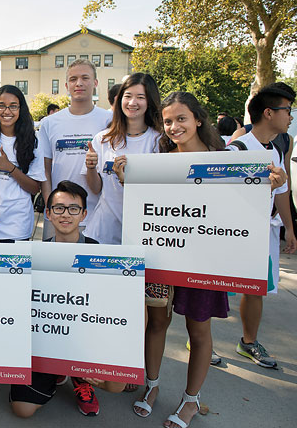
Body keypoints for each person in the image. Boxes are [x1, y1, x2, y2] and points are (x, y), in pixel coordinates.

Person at [116, 92, 230, 428]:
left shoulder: (223, 160)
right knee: (157, 322)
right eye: (167, 121)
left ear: (198, 119)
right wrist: (128, 180)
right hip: (163, 257)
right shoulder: (160, 160)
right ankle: (151, 386)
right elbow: (148, 207)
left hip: (203, 261)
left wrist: (267, 186)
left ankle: (190, 400)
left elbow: (237, 213)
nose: (174, 126)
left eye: (181, 118)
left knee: (198, 329)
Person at [10, 180, 125, 419]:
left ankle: (80, 378)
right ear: (49, 214)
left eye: (73, 209)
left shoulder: (101, 256)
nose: (66, 214)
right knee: (22, 410)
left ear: (83, 214)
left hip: (83, 341)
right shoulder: (32, 255)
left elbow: (113, 309)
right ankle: (54, 374)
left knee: (116, 384)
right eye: (59, 208)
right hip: (47, 339)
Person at [227, 83, 297, 369]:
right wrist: (265, 187)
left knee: (256, 290)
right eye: (287, 111)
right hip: (235, 236)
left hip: (264, 233)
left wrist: (289, 229)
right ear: (269, 113)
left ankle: (248, 341)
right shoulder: (237, 150)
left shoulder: (276, 149)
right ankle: (198, 340)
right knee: (217, 289)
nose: (290, 117)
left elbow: (283, 193)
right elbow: (225, 198)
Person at [83, 72, 162, 245]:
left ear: (150, 101)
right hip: (102, 233)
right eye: (128, 96)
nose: (132, 103)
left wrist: (128, 180)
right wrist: (90, 167)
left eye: (140, 97)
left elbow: (160, 195)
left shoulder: (159, 141)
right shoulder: (103, 139)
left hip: (144, 232)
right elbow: (96, 189)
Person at [39, 59, 113, 240]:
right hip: (59, 216)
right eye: (73, 79)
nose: (79, 83)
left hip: (97, 214)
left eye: (85, 78)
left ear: (95, 83)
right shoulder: (49, 123)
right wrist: (51, 207)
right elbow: (45, 169)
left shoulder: (108, 119)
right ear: (66, 85)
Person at [0, 85, 44, 242]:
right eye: (2, 106)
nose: (7, 111)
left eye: (13, 106)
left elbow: (34, 187)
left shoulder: (33, 140)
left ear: (21, 109)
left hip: (18, 224)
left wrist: (10, 168)